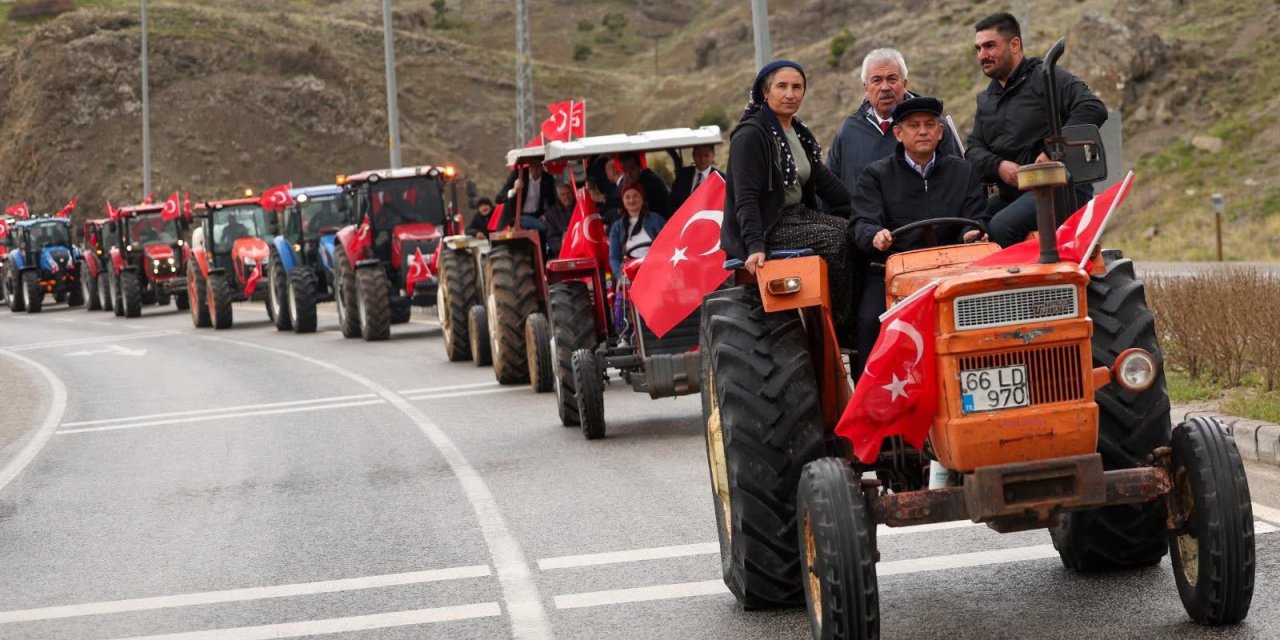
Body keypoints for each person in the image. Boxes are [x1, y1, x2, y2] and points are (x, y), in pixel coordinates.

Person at [848, 97, 988, 374]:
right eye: (914, 125)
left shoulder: (963, 172)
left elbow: (977, 218)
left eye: (929, 125)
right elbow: (861, 223)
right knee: (868, 321)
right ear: (898, 134)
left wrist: (971, 233)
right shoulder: (875, 175)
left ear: (940, 132)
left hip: (954, 267)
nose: (923, 131)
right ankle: (873, 397)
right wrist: (875, 235)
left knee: (989, 311)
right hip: (894, 271)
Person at [721, 59, 855, 334]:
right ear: (765, 92)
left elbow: (823, 180)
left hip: (797, 216)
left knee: (857, 232)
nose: (790, 94)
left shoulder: (797, 131)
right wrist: (755, 245)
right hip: (768, 225)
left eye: (797, 87)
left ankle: (858, 313)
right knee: (837, 240)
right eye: (782, 86)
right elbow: (745, 197)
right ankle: (841, 326)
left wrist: (864, 210)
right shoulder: (751, 135)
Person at [966, 12, 1107, 247]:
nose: (983, 55)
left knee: (1002, 227)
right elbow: (973, 149)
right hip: (1013, 195)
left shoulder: (1047, 77)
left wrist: (1052, 151)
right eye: (978, 48)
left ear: (1014, 44)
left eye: (990, 46)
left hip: (1060, 189)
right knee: (970, 228)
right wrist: (998, 167)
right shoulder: (986, 100)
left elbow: (1092, 107)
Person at [827, 48, 960, 196]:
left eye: (892, 79)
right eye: (877, 80)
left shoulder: (931, 125)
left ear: (905, 84)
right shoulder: (848, 131)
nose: (885, 87)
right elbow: (831, 188)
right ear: (866, 88)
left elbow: (955, 181)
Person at [608, 183, 664, 279]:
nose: (632, 200)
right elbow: (614, 257)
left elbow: (668, 243)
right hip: (631, 271)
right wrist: (620, 277)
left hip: (656, 266)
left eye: (635, 196)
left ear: (642, 199)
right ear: (623, 201)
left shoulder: (656, 219)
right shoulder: (617, 228)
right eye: (627, 197)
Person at [495, 161, 557, 234]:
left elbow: (552, 201)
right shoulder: (518, 175)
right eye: (534, 165)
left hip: (536, 216)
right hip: (517, 217)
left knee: (552, 227)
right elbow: (499, 198)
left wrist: (546, 214)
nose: (536, 169)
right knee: (544, 227)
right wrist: (514, 190)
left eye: (539, 165)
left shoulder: (547, 179)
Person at [618, 152, 672, 220]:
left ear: (639, 167)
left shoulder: (650, 182)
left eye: (632, 168)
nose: (628, 174)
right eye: (625, 170)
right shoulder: (628, 184)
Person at [669, 145, 724, 211]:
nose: (702, 159)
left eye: (706, 155)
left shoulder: (721, 179)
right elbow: (673, 201)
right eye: (698, 155)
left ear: (713, 156)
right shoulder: (683, 176)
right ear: (693, 155)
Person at [545, 183, 576, 257]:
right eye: (563, 194)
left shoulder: (579, 208)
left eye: (568, 194)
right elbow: (551, 241)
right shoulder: (551, 214)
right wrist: (564, 243)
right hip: (561, 253)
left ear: (573, 194)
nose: (566, 197)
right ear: (558, 197)